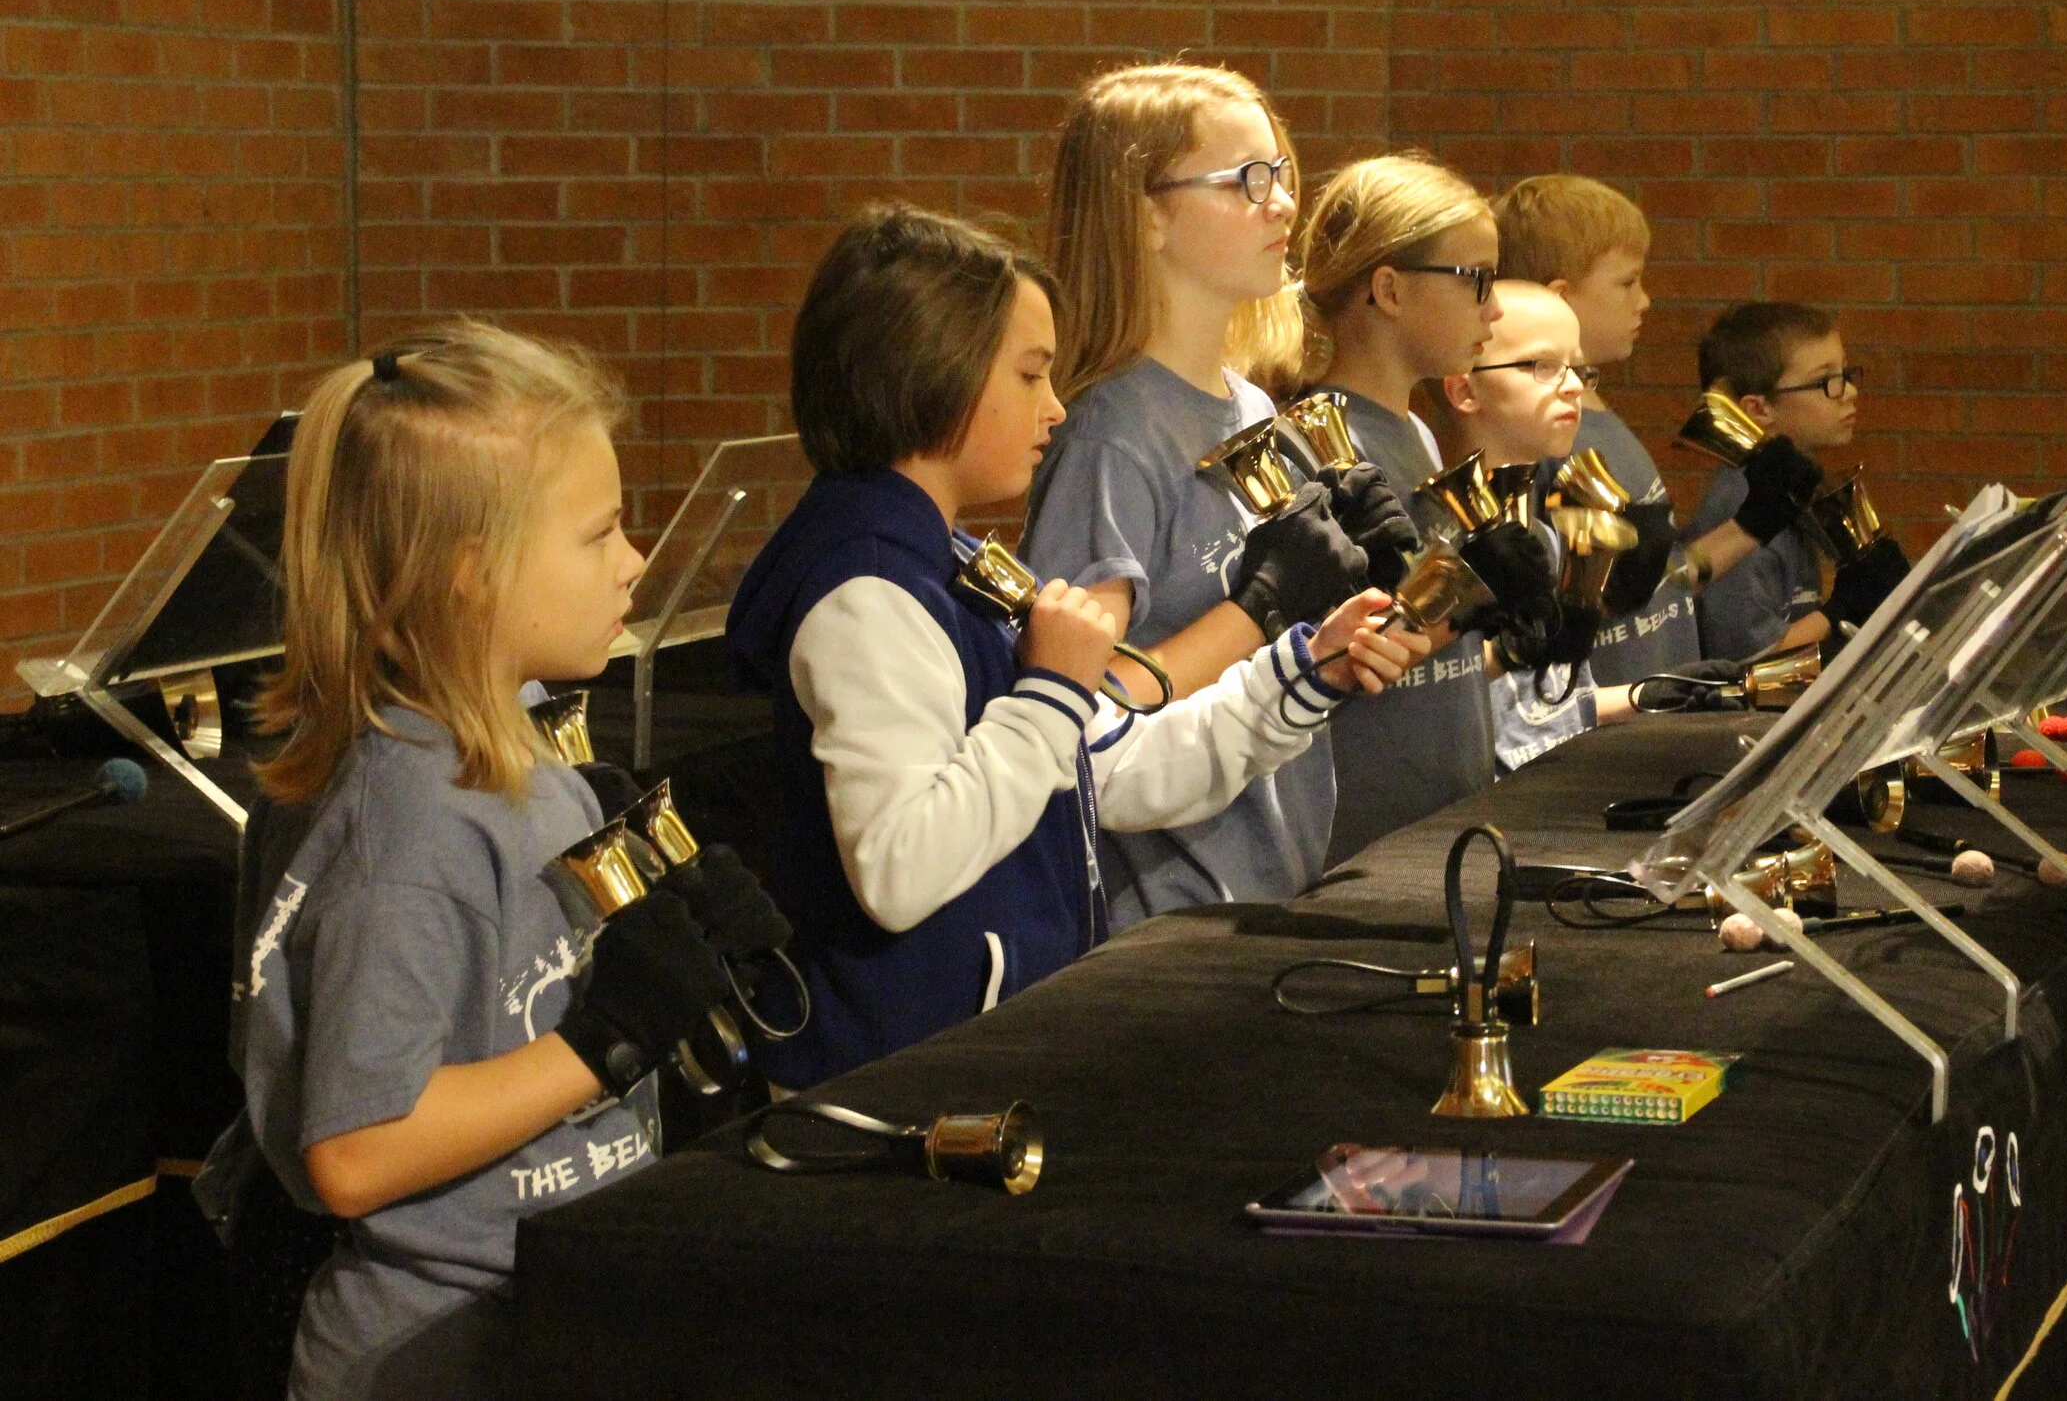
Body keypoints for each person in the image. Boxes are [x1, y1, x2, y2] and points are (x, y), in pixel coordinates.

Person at [202, 324, 774, 1400]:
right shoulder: (411, 822)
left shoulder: (505, 735)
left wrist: (675, 931)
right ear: (470, 570)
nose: (635, 559)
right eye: (598, 532)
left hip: (536, 1308)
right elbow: (358, 1150)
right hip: (434, 1349)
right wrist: (605, 1039)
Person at [725, 205, 1424, 1081]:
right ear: (931, 372)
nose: (1055, 407)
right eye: (1028, 375)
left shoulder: (946, 559)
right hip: (906, 1074)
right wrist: (1050, 691)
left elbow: (1108, 770)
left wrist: (1303, 672)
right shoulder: (869, 590)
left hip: (979, 1050)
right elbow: (899, 866)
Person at [1022, 62, 1418, 924]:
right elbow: (1087, 705)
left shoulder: (1250, 406)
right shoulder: (1111, 438)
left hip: (1270, 870)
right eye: (1247, 181)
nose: (1282, 204)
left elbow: (1278, 665)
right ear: (1147, 216)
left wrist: (1361, 614)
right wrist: (1265, 604)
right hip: (1167, 904)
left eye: (1282, 175)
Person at [1296, 153, 1581, 852]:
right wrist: (1477, 588)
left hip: (1439, 814)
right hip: (1366, 834)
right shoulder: (1321, 444)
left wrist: (1505, 628)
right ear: (1388, 290)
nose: (1493, 307)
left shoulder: (1416, 431)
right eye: (1475, 279)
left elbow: (1438, 653)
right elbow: (1352, 657)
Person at [1492, 173, 1814, 686]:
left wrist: (1751, 525)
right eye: (1626, 282)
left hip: (1650, 708)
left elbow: (1657, 584)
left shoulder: (1597, 417)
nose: (1645, 300)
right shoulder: (1542, 435)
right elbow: (1544, 616)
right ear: (1561, 296)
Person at [1427, 281, 1627, 769]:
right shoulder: (1441, 543)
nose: (1575, 385)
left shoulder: (1540, 533)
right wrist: (1514, 652)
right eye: (1543, 366)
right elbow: (1426, 699)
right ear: (1464, 389)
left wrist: (1659, 694)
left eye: (1578, 367)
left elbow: (1551, 713)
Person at [1691, 301, 1906, 658]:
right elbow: (1742, 655)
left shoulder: (1790, 488)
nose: (1849, 391)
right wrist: (1841, 612)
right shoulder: (1744, 504)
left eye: (1846, 374)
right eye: (1827, 382)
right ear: (1759, 410)